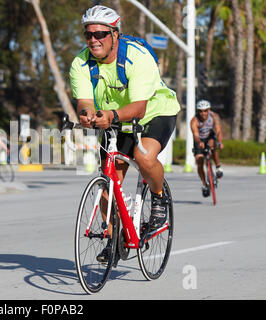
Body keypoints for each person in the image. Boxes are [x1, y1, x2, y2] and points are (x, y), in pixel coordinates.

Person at [69, 5, 180, 262]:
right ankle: (115, 238)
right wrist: (87, 115)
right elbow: (84, 101)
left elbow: (139, 107)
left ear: (115, 35)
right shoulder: (80, 63)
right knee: (108, 179)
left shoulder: (138, 57)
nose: (94, 40)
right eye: (89, 35)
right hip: (114, 120)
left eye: (101, 34)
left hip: (154, 112)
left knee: (143, 158)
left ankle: (159, 198)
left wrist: (112, 115)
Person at [190, 99, 224, 197]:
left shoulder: (214, 116)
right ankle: (205, 185)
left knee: (213, 146)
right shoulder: (194, 121)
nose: (203, 113)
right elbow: (195, 135)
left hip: (210, 136)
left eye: (205, 111)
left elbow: (218, 131)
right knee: (199, 161)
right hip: (199, 140)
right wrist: (199, 142)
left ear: (209, 110)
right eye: (200, 111)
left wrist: (220, 142)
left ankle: (218, 167)